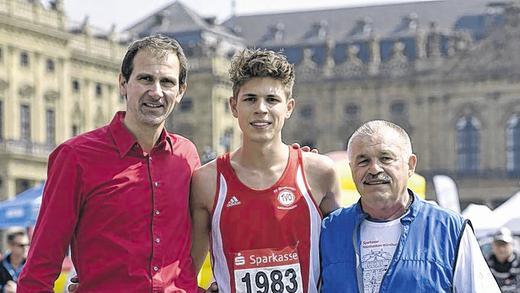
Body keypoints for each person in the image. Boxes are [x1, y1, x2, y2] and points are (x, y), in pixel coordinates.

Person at [17, 34, 208, 292]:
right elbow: (40, 268)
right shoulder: (75, 156)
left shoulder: (187, 155)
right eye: (145, 79)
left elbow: (199, 238)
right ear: (123, 83)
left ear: (181, 91)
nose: (156, 92)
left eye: (167, 82)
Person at [189, 48, 341, 293]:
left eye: (272, 100)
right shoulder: (206, 181)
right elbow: (188, 270)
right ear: (233, 106)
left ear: (289, 107)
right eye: (250, 99)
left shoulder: (320, 172)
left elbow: (341, 261)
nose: (261, 109)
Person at [320, 120, 500, 292]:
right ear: (352, 168)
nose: (374, 169)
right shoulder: (329, 229)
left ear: (410, 165)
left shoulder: (449, 229)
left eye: (386, 158)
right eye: (363, 161)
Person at [486, 227, 520, 292]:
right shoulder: (484, 265)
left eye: (504, 244)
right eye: (498, 244)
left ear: (512, 244)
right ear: (493, 246)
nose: (501, 248)